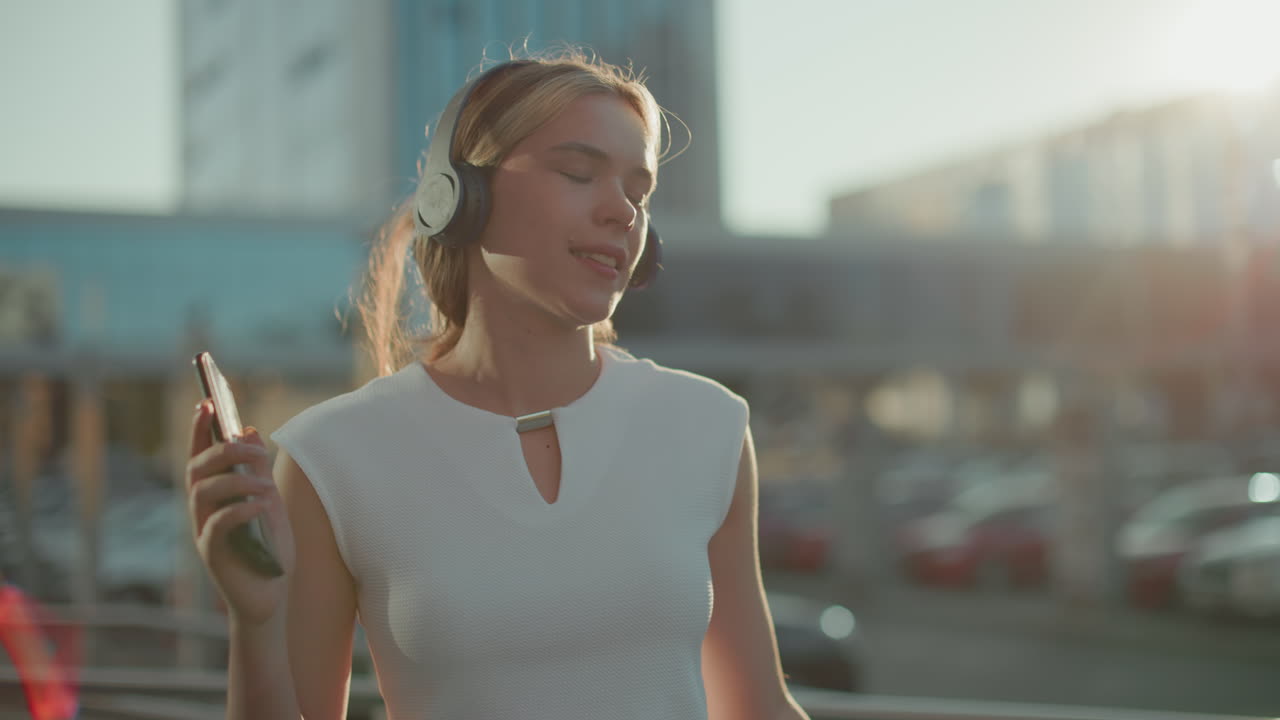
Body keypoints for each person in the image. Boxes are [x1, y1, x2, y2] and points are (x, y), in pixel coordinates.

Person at [184, 49, 810, 720]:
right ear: (458, 198)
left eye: (639, 191)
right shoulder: (331, 457)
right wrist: (257, 624)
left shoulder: (708, 426)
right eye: (578, 172)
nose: (623, 212)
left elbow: (760, 709)